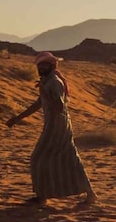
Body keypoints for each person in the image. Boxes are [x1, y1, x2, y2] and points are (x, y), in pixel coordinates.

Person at [6, 51, 97, 206]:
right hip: (53, 125)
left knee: (39, 158)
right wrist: (17, 118)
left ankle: (43, 197)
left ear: (52, 65)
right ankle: (87, 194)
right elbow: (38, 104)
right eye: (39, 65)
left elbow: (58, 106)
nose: (41, 67)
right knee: (67, 158)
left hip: (58, 126)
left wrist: (43, 91)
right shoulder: (47, 81)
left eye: (44, 64)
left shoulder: (54, 82)